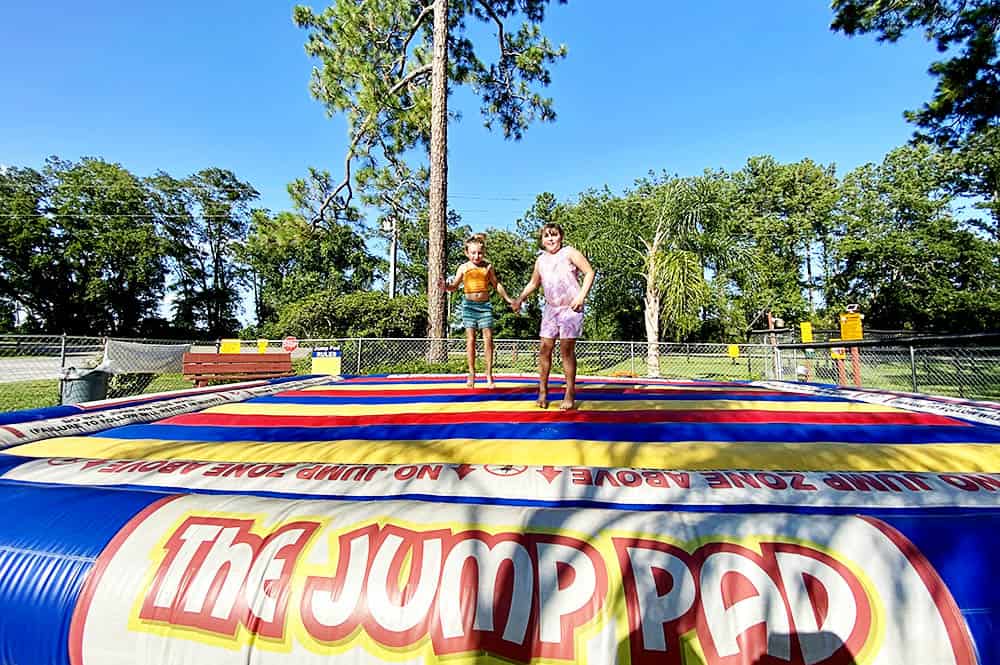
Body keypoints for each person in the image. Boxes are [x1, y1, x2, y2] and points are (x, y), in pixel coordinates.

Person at [512, 223, 595, 410]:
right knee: (545, 348)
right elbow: (534, 283)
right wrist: (520, 298)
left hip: (570, 308)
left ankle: (569, 392)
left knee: (566, 350)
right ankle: (542, 391)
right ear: (542, 240)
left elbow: (589, 272)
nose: (550, 239)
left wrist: (581, 296)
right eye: (546, 236)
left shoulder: (569, 252)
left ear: (561, 236)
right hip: (551, 309)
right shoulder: (540, 261)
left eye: (554, 235)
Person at [440, 234, 514, 389]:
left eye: (479, 253)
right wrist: (446, 286)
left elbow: (496, 284)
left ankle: (488, 374)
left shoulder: (487, 266)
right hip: (469, 306)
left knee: (488, 340)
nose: (476, 256)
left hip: (485, 306)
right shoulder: (464, 267)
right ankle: (471, 373)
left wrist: (508, 299)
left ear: (484, 252)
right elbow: (454, 286)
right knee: (471, 340)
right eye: (473, 253)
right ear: (467, 253)